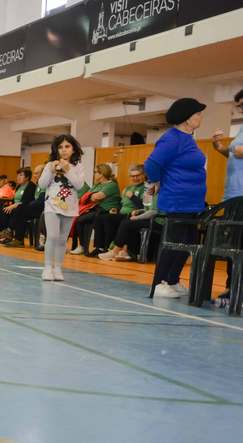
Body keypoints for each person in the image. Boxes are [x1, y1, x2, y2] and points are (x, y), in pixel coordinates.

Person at [145, 98, 209, 299]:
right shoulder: (172, 138)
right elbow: (151, 163)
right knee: (175, 242)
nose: (201, 117)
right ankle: (159, 283)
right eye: (198, 114)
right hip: (177, 200)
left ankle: (172, 280)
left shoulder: (187, 138)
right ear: (188, 119)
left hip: (191, 202)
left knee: (188, 241)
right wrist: (157, 182)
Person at [210, 88, 243, 298]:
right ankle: (233, 287)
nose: (242, 109)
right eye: (240, 106)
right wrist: (219, 147)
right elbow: (234, 155)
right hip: (233, 195)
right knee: (234, 244)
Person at [38, 134, 86, 281]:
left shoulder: (78, 167)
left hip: (69, 206)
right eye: (60, 147)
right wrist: (51, 171)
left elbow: (79, 185)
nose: (64, 150)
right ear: (56, 149)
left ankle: (58, 268)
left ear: (73, 149)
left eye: (67, 146)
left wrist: (68, 170)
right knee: (52, 236)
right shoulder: (49, 165)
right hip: (51, 205)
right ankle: (47, 268)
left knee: (62, 239)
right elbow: (42, 184)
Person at [91, 164, 146, 258]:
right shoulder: (129, 188)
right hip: (121, 213)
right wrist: (116, 209)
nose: (135, 178)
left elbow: (144, 205)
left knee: (108, 218)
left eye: (137, 175)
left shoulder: (144, 188)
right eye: (133, 176)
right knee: (99, 218)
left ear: (143, 175)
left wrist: (132, 197)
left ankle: (109, 248)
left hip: (132, 214)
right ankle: (100, 247)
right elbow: (122, 203)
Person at [98, 185, 160, 262]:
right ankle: (124, 251)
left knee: (127, 224)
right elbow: (147, 209)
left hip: (158, 221)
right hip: (151, 219)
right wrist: (139, 211)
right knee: (125, 221)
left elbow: (153, 212)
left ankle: (115, 251)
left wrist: (136, 218)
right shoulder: (151, 193)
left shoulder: (157, 194)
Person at [69, 163, 119, 256]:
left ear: (102, 173)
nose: (94, 174)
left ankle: (83, 246)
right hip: (95, 209)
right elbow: (86, 196)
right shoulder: (97, 185)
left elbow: (96, 197)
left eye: (95, 172)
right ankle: (77, 244)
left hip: (105, 210)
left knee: (80, 220)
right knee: (76, 217)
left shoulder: (112, 185)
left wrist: (91, 196)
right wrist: (91, 196)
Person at [0, 165, 46, 248]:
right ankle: (18, 240)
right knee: (18, 211)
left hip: (41, 210)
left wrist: (28, 206)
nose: (34, 176)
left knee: (20, 208)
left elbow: (41, 200)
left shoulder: (43, 185)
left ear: (43, 174)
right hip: (34, 208)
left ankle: (9, 231)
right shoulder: (39, 184)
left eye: (36, 173)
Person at [0, 167, 36, 242]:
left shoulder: (31, 186)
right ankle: (1, 234)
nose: (18, 177)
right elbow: (14, 200)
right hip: (15, 207)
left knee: (10, 211)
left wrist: (13, 206)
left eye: (21, 175)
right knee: (2, 210)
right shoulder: (19, 186)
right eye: (17, 175)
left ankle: (8, 233)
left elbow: (27, 201)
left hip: (24, 209)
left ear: (27, 177)